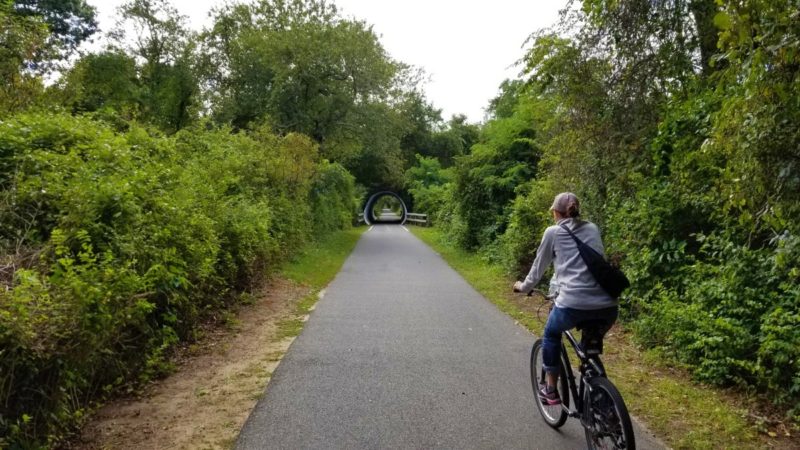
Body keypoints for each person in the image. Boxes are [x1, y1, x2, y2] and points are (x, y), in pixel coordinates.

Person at [513, 192, 618, 405]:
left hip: (573, 304)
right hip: (608, 305)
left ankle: (551, 389)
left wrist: (523, 287)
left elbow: (537, 268)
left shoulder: (553, 232)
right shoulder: (592, 228)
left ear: (555, 212)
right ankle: (605, 405)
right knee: (589, 350)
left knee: (551, 333)